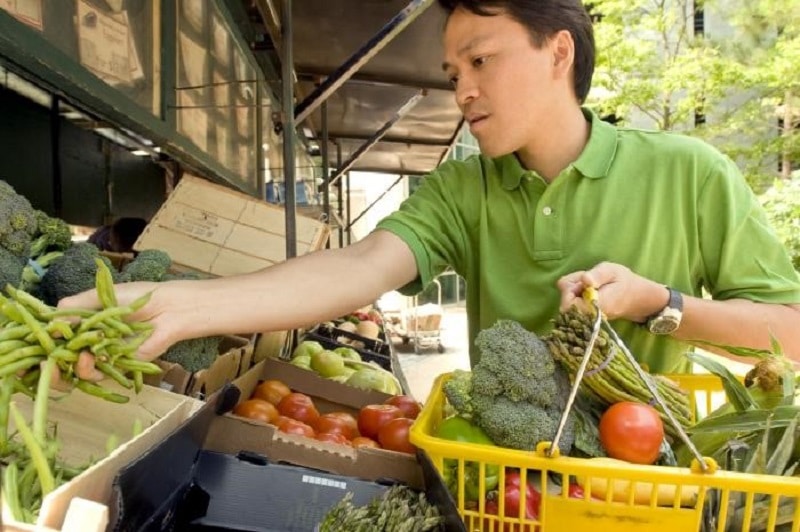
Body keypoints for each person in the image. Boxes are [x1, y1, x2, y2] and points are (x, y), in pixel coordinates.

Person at [61, 0, 800, 373]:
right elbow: (354, 269)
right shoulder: (460, 191)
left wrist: (658, 305)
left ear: (558, 53)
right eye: (453, 74)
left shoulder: (688, 171)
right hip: (500, 490)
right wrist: (177, 306)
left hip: (650, 492)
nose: (463, 91)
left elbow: (790, 335)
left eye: (480, 61)